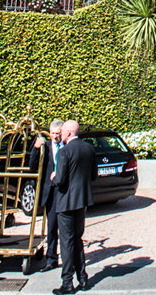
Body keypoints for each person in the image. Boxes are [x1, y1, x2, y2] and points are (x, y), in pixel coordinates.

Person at [51, 120, 97, 294]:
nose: (60, 135)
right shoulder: (89, 149)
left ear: (69, 133)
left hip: (66, 202)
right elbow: (94, 176)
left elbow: (60, 179)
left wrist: (53, 177)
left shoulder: (64, 151)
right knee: (77, 239)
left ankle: (67, 283)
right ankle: (83, 279)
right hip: (82, 201)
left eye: (62, 132)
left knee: (66, 242)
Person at [29, 118, 64, 271]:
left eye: (57, 133)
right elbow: (32, 166)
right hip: (50, 191)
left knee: (66, 227)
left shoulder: (68, 146)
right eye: (52, 133)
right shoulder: (46, 147)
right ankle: (51, 258)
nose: (54, 136)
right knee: (51, 226)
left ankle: (70, 258)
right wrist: (36, 149)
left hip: (65, 190)